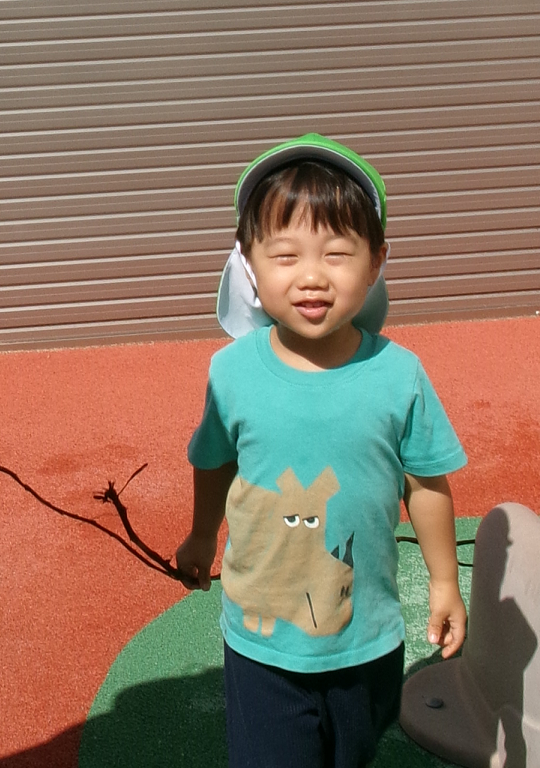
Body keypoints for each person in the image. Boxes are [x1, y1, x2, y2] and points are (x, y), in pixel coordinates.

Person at [174, 134, 466, 768]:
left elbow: (425, 482)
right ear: (248, 263)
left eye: (338, 253)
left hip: (368, 636)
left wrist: (445, 580)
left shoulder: (400, 374)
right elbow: (214, 461)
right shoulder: (232, 373)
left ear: (377, 260)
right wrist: (202, 537)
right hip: (262, 644)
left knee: (351, 756)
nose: (312, 276)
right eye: (284, 255)